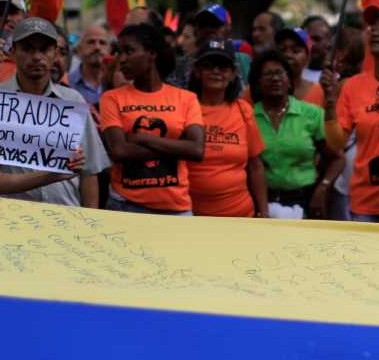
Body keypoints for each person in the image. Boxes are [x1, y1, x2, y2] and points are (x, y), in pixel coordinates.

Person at [0, 17, 98, 205]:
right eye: (28, 49)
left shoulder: (73, 101)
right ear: (12, 52)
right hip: (8, 218)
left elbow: (89, 172)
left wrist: (92, 222)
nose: (37, 56)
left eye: (44, 49)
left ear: (55, 53)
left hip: (67, 216)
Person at [99, 23, 205, 215]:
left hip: (176, 208)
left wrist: (142, 138)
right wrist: (179, 147)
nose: (121, 59)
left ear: (152, 53)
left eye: (129, 51)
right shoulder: (112, 98)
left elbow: (197, 150)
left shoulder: (185, 99)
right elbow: (119, 151)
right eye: (119, 52)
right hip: (125, 206)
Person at [328, 4, 379, 222]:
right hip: (365, 205)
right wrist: (329, 102)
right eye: (373, 26)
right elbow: (337, 143)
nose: (375, 31)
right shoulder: (352, 86)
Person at [184, 37, 265, 218]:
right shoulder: (184, 108)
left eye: (223, 67)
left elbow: (256, 166)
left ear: (233, 73)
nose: (216, 71)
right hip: (191, 217)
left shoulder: (243, 110)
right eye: (209, 65)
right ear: (197, 71)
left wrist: (264, 212)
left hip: (240, 216)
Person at [252, 49, 337, 219]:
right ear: (258, 82)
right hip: (262, 202)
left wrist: (323, 188)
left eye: (279, 73)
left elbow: (337, 158)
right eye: (268, 74)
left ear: (289, 81)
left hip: (305, 201)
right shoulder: (249, 116)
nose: (275, 78)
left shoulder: (312, 114)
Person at [169, 5, 251, 88]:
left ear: (228, 28)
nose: (208, 29)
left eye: (214, 24)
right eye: (203, 24)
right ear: (196, 29)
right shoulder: (180, 66)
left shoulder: (242, 61)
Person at [275, 26, 325, 107]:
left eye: (295, 51)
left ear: (308, 58)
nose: (287, 55)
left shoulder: (320, 93)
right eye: (282, 50)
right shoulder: (257, 89)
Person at [69, 24, 110, 110]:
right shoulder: (67, 83)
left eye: (102, 42)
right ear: (79, 49)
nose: (97, 47)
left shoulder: (116, 82)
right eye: (91, 42)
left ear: (109, 49)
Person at [301, 15, 330, 84]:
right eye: (307, 39)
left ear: (329, 40)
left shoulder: (336, 79)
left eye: (316, 39)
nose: (311, 44)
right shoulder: (291, 76)